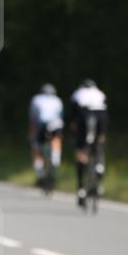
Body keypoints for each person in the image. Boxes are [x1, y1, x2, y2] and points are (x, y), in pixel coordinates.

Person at [70, 79, 108, 208]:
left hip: (84, 114)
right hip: (100, 114)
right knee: (99, 141)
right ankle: (99, 165)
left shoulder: (78, 93)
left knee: (81, 151)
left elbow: (73, 116)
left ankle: (81, 188)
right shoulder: (100, 93)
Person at [28, 83, 64, 187]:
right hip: (56, 125)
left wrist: (31, 133)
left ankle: (40, 175)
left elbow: (33, 119)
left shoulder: (36, 99)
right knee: (56, 141)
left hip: (42, 125)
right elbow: (60, 117)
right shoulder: (58, 100)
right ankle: (55, 159)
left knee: (37, 150)